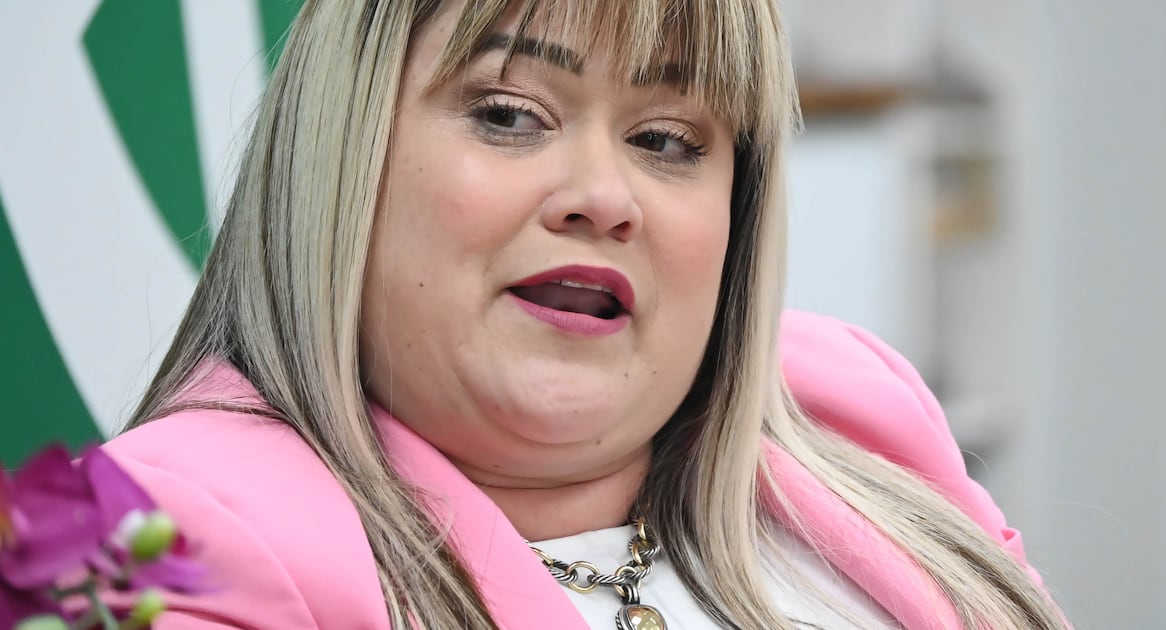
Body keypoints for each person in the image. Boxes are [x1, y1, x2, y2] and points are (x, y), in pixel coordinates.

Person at [102, 0, 1068, 628]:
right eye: (509, 114)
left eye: (667, 139)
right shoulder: (157, 534)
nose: (605, 197)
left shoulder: (861, 408)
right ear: (341, 157)